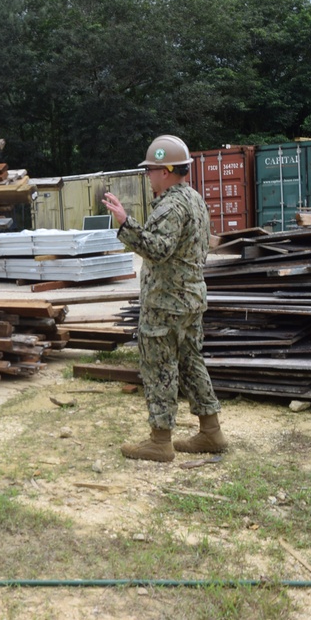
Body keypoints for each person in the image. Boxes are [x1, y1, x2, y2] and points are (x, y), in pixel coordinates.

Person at [101, 135, 227, 462]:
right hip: (191, 299)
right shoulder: (195, 199)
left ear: (167, 171)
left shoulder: (171, 205)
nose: (148, 176)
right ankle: (211, 432)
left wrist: (125, 224)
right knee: (190, 362)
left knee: (159, 367)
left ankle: (160, 441)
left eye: (152, 170)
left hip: (166, 303)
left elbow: (158, 249)